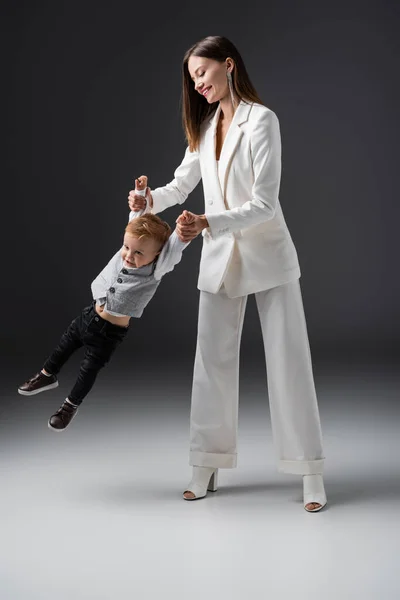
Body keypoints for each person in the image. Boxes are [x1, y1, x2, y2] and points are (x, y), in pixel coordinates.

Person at [129, 36, 327, 512]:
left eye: (203, 73)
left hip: (268, 255)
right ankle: (206, 462)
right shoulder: (205, 125)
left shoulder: (262, 121)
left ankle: (310, 471)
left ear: (228, 65)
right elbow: (182, 183)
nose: (198, 84)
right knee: (211, 363)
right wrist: (148, 199)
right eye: (192, 78)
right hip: (219, 257)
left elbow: (265, 203)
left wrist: (206, 223)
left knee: (289, 361)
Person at [18, 177, 189, 432]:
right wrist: (141, 191)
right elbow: (136, 216)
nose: (129, 256)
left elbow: (173, 249)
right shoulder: (130, 244)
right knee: (63, 346)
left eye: (139, 253)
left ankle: (69, 406)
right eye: (126, 248)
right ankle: (47, 375)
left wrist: (181, 231)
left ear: (156, 256)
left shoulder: (157, 268)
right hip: (89, 314)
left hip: (109, 333)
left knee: (88, 370)